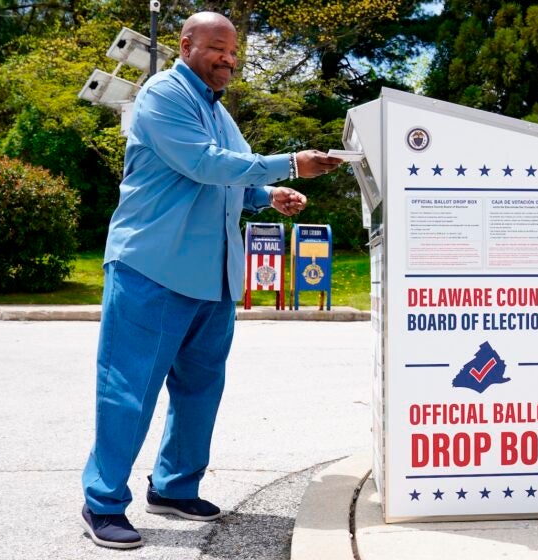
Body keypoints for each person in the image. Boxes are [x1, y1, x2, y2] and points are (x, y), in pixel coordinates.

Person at [80, 11, 342, 549]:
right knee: (129, 391)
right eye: (218, 48)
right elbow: (204, 165)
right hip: (152, 269)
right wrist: (289, 164)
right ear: (186, 45)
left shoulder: (221, 115)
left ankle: (174, 487)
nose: (228, 58)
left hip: (213, 278)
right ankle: (102, 502)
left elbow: (234, 177)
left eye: (233, 51)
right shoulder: (163, 95)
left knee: (200, 391)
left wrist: (268, 195)